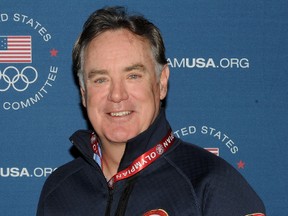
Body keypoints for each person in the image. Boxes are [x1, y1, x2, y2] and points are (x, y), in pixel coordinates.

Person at [37, 6, 266, 216]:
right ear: (84, 93)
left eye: (133, 76)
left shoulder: (211, 184)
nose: (117, 95)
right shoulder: (59, 189)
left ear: (162, 82)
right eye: (100, 79)